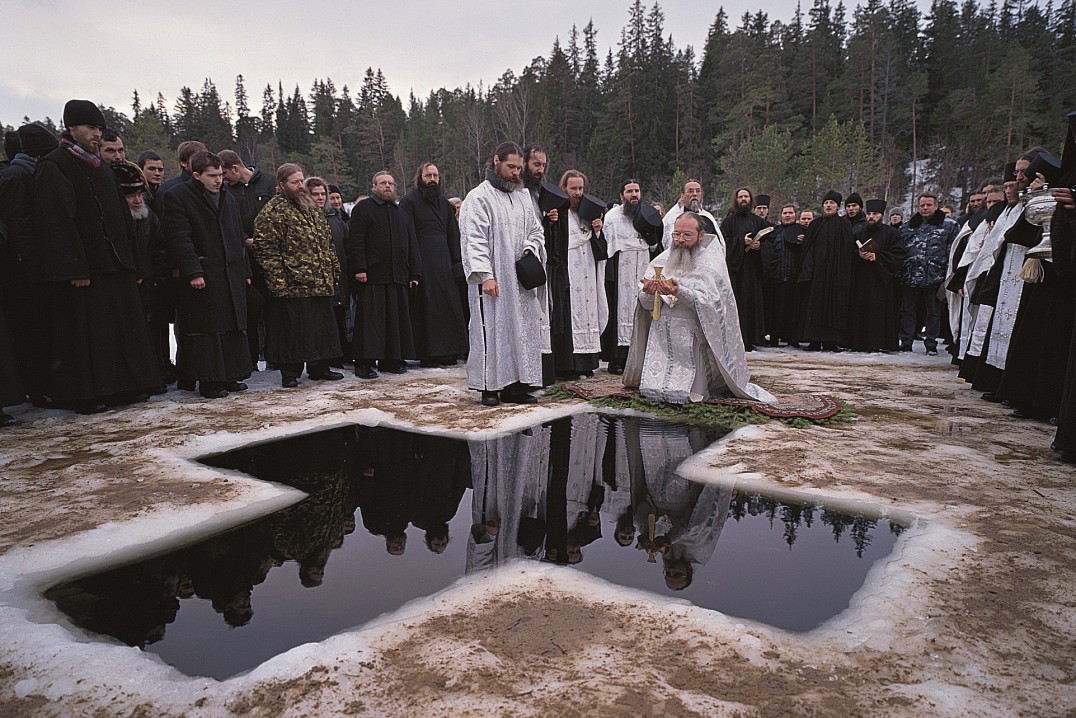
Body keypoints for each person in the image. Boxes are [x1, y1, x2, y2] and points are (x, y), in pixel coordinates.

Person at [33, 99, 160, 413]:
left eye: (99, 128)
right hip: (85, 268)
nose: (97, 134)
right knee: (87, 335)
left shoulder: (101, 167)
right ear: (71, 128)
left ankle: (122, 387)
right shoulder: (55, 165)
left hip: (115, 264)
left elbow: (121, 217)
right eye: (91, 128)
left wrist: (133, 262)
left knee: (119, 329)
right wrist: (74, 267)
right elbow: (55, 221)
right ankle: (86, 395)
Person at [623, 212, 775, 405]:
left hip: (693, 335)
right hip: (661, 338)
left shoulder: (711, 264)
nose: (680, 240)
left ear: (700, 235)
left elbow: (713, 305)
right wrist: (649, 293)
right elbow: (645, 305)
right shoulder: (660, 261)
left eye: (687, 235)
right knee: (652, 391)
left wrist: (680, 291)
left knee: (688, 394)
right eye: (676, 234)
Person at [458, 141, 547, 406]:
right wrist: (485, 275)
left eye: (519, 168)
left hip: (519, 278)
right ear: (496, 161)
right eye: (511, 167)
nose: (516, 173)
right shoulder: (478, 197)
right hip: (494, 277)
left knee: (521, 330)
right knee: (491, 329)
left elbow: (536, 230)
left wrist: (530, 248)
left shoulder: (523, 197)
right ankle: (489, 387)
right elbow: (473, 239)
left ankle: (516, 386)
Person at [161, 151, 252, 398]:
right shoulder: (178, 197)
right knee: (208, 328)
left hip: (230, 271)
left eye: (220, 175)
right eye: (212, 176)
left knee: (231, 325)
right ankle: (210, 381)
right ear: (197, 175)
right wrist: (193, 271)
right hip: (204, 273)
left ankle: (230, 375)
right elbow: (179, 238)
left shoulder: (228, 197)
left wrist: (245, 270)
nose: (218, 180)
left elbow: (237, 236)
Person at [252, 163, 343, 387]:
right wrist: (278, 282)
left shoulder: (311, 208)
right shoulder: (273, 211)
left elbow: (326, 242)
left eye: (302, 181)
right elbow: (266, 250)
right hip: (292, 283)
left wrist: (333, 269)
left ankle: (319, 367)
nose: (300, 185)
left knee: (320, 328)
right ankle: (290, 372)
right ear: (282, 184)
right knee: (292, 331)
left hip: (319, 280)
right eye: (295, 182)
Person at [0, 123, 56, 406]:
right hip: (25, 269)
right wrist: (29, 261)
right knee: (31, 330)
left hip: (29, 264)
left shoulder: (24, 173)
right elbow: (19, 223)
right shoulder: (18, 176)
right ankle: (38, 388)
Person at [347, 171, 421, 378]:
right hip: (373, 275)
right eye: (382, 183)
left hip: (398, 275)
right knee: (371, 322)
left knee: (395, 321)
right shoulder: (364, 209)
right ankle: (364, 363)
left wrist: (415, 273)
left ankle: (392, 360)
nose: (387, 186)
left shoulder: (401, 213)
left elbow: (412, 244)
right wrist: (359, 268)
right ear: (374, 187)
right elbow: (356, 240)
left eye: (390, 183)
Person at [398, 163, 468, 367]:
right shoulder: (409, 201)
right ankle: (428, 354)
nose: (432, 179)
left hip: (444, 263)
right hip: (422, 261)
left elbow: (453, 234)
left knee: (448, 306)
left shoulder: (444, 204)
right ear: (420, 177)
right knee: (426, 309)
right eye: (428, 175)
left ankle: (450, 351)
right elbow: (407, 233)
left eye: (435, 175)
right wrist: (413, 266)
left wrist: (457, 262)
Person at [546, 169, 608, 378]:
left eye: (581, 188)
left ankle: (586, 364)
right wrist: (551, 223)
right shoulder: (559, 213)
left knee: (589, 314)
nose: (578, 193)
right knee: (568, 316)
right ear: (564, 189)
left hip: (588, 274)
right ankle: (567, 366)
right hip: (568, 275)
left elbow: (602, 252)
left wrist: (597, 231)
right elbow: (552, 245)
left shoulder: (587, 215)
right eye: (573, 188)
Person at [601, 179, 662, 374]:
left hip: (643, 267)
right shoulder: (612, 217)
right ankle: (617, 359)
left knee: (643, 309)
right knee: (620, 311)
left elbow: (655, 246)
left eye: (636, 191)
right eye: (629, 191)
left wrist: (652, 237)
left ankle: (641, 357)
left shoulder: (647, 215)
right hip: (622, 271)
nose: (634, 195)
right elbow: (609, 249)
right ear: (622, 195)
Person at [898, 193, 959, 355]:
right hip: (910, 275)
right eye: (922, 205)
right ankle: (906, 342)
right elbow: (901, 250)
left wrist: (948, 274)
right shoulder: (907, 226)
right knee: (907, 310)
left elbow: (953, 252)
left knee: (933, 312)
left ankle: (931, 343)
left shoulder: (950, 226)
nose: (925, 208)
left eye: (928, 205)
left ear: (936, 206)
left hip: (935, 276)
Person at [797, 190, 855, 351]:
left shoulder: (844, 225)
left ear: (838, 206)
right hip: (817, 274)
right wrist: (808, 269)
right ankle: (814, 341)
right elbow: (807, 249)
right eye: (826, 203)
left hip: (836, 274)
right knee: (814, 306)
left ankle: (831, 341)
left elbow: (847, 251)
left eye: (832, 203)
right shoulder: (815, 224)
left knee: (834, 306)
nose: (829, 206)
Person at [847, 199, 906, 352]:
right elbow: (849, 251)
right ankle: (860, 343)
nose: (871, 217)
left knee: (880, 312)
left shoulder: (892, 233)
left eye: (875, 214)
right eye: (869, 214)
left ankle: (881, 343)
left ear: (882, 215)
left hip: (882, 281)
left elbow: (899, 254)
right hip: (862, 279)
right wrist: (859, 254)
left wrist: (877, 257)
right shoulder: (859, 232)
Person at [306, 176, 351, 366]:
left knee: (339, 316)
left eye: (322, 194)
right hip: (315, 279)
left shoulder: (336, 218)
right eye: (315, 194)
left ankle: (339, 355)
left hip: (339, 275)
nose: (320, 198)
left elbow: (346, 246)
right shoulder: (304, 218)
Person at [719, 187, 768, 350]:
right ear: (736, 200)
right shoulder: (729, 222)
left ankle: (751, 339)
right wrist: (741, 241)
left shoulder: (758, 221)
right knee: (736, 304)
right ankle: (735, 340)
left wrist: (759, 246)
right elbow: (723, 243)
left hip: (753, 270)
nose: (744, 199)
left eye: (746, 196)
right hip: (736, 272)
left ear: (751, 199)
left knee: (752, 304)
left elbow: (769, 242)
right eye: (740, 197)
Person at [762, 204, 803, 347]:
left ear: (795, 215)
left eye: (790, 213)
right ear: (780, 216)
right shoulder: (774, 232)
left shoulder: (802, 233)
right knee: (775, 310)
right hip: (776, 276)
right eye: (785, 213)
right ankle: (774, 337)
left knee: (792, 310)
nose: (787, 215)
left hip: (794, 277)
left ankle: (792, 338)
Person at [661, 179, 720, 250]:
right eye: (690, 191)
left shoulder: (708, 217)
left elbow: (718, 245)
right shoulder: (671, 217)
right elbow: (666, 243)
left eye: (698, 191)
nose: (695, 194)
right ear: (682, 196)